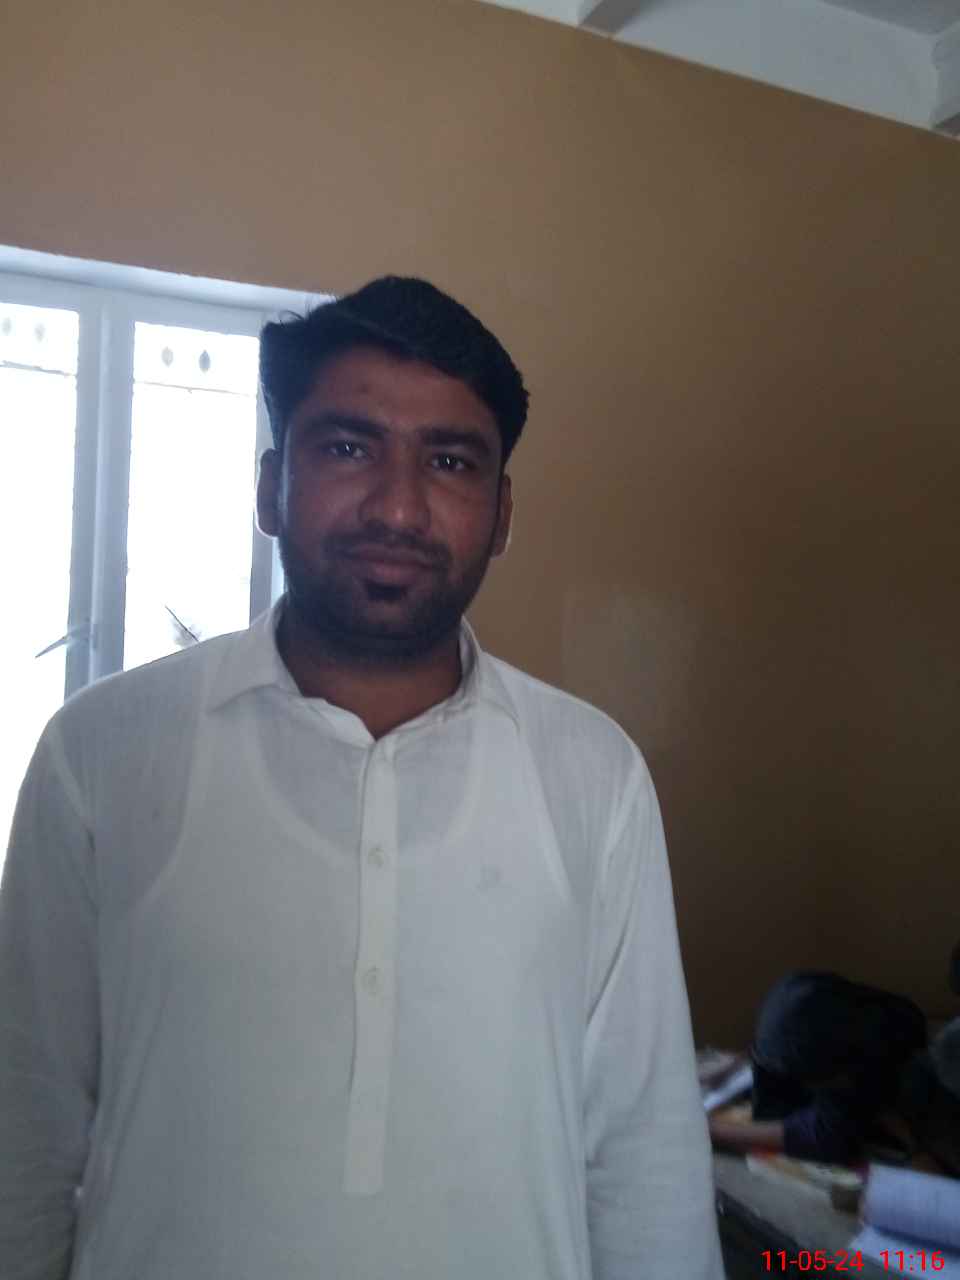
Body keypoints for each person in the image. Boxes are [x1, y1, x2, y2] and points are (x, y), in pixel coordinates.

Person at [0, 276, 722, 1280]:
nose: (398, 506)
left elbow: (644, 1159)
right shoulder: (101, 752)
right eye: (347, 447)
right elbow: (24, 1128)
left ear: (502, 514)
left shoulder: (594, 776)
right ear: (270, 486)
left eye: (451, 461)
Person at [709, 971, 927, 1163]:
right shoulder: (819, 1004)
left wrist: (713, 1131)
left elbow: (821, 1135)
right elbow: (779, 1032)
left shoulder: (869, 1059)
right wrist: (732, 1066)